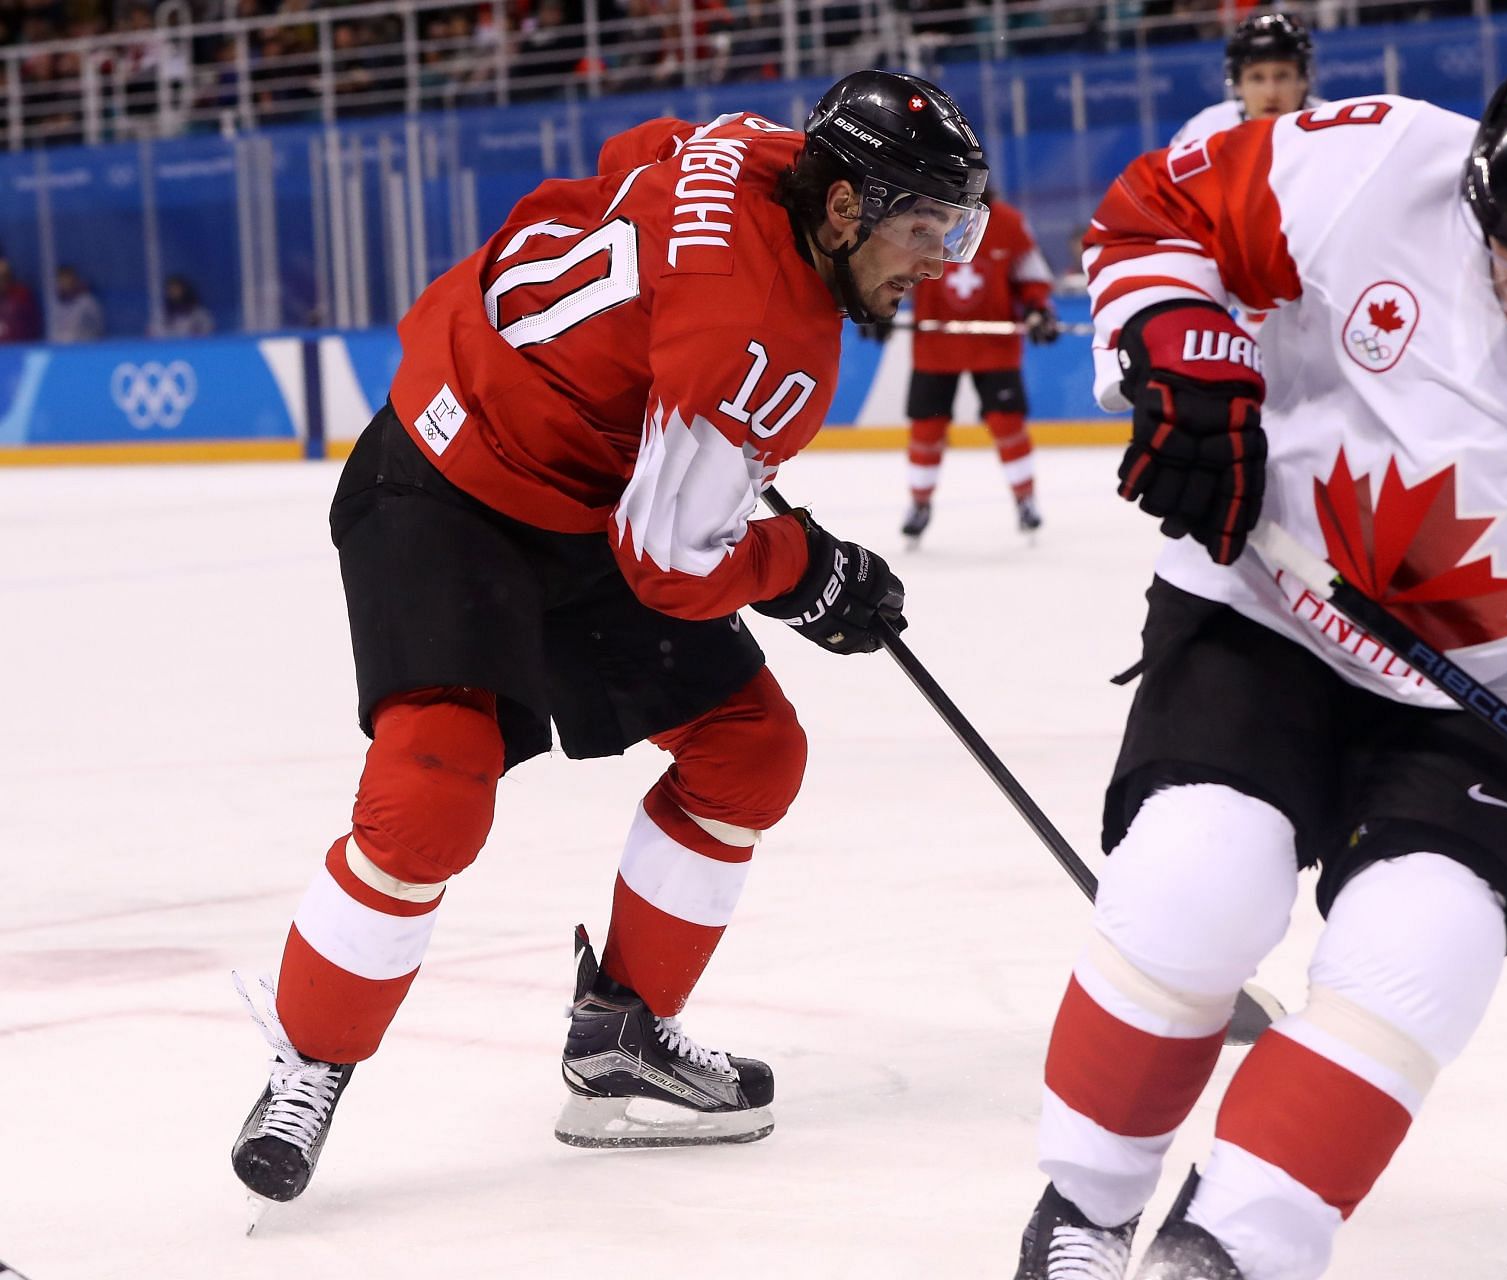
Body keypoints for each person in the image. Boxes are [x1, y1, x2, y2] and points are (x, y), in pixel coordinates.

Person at [1014, 30, 1507, 1279]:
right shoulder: (1383, 163)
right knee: (1193, 885)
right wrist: (1180, 353)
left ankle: (1226, 1251)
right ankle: (1085, 1210)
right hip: (1268, 595)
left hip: (1491, 699)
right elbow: (1157, 212)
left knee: (1421, 954)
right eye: (1499, 235)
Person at [229, 70, 989, 1208]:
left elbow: (639, 152)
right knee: (432, 791)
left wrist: (676, 420)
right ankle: (310, 1058)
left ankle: (622, 1035)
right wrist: (806, 568)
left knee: (750, 751)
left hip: (582, 487)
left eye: (953, 227)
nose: (939, 259)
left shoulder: (756, 146)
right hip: (446, 481)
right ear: (844, 210)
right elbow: (674, 567)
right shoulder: (771, 345)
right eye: (924, 228)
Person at [866, 190, 1058, 540]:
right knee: (927, 429)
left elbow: (1032, 275)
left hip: (994, 347)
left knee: (1006, 423)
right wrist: (877, 303)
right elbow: (894, 264)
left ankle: (1025, 499)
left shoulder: (1010, 223)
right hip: (936, 347)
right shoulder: (922, 216)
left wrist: (1037, 307)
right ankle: (920, 503)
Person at [1171, 12, 1317, 147]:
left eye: (1282, 76)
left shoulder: (1332, 130)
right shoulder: (1205, 130)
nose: (1270, 94)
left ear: (1303, 80)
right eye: (1256, 78)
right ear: (1238, 84)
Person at [47, 265, 104, 344]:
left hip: (83, 347)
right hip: (60, 348)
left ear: (74, 281)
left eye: (67, 280)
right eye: (61, 281)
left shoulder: (86, 301)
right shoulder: (54, 303)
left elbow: (98, 326)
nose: (64, 284)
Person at [0, 256, 43, 343]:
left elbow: (33, 324)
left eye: (4, 277)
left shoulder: (21, 295)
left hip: (20, 346)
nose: (2, 281)